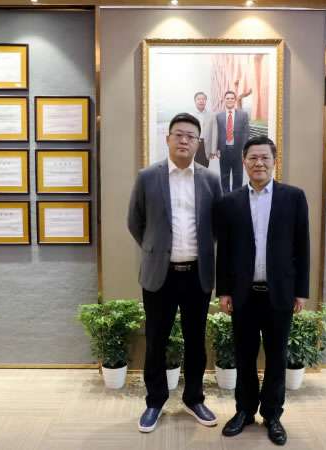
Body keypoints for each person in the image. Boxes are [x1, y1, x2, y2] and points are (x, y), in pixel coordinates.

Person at [128, 112, 223, 433]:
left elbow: (218, 225)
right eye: (178, 135)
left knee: (196, 340)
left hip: (197, 274)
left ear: (198, 143)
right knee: (156, 339)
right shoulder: (147, 177)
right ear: (168, 139)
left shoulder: (210, 180)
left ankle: (194, 398)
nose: (184, 140)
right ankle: (154, 401)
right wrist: (155, 249)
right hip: (160, 275)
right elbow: (135, 221)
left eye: (190, 136)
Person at [215, 136, 310, 446]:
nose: (259, 163)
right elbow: (224, 251)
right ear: (244, 162)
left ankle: (272, 415)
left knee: (276, 357)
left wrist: (301, 291)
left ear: (274, 161)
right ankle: (244, 411)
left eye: (264, 158)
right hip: (243, 294)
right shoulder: (230, 202)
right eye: (253, 158)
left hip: (279, 292)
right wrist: (224, 291)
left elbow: (302, 247)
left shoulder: (293, 197)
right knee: (243, 355)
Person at [216, 90, 249, 193]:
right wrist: (217, 148)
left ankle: (236, 197)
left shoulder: (243, 115)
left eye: (232, 98)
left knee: (238, 176)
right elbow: (217, 133)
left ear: (235, 100)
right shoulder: (219, 116)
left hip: (238, 151)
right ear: (224, 100)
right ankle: (226, 197)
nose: (230, 100)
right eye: (227, 98)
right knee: (224, 176)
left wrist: (244, 149)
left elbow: (246, 133)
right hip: (224, 150)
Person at [191, 91, 217, 168]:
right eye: (199, 99)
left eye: (203, 99)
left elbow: (214, 133)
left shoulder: (212, 115)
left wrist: (213, 150)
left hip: (206, 146)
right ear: (195, 101)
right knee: (194, 169)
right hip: (194, 145)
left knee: (205, 168)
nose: (201, 101)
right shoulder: (190, 116)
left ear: (206, 101)